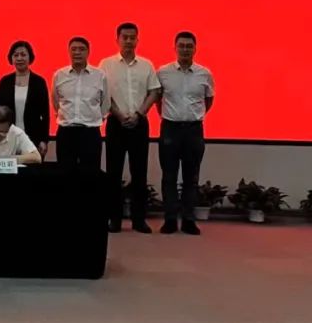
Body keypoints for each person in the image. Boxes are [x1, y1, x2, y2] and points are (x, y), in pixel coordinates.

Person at [99, 22, 162, 234]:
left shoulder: (146, 65)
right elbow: (103, 94)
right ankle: (114, 220)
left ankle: (139, 220)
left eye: (132, 37)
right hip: (115, 123)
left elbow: (154, 92)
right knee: (113, 173)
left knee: (139, 173)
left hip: (139, 123)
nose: (128, 41)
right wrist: (118, 114)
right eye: (124, 37)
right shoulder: (106, 64)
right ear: (117, 39)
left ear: (137, 40)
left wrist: (139, 114)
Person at [157, 31, 215, 236]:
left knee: (191, 177)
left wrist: (194, 116)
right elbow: (158, 99)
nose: (185, 49)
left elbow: (208, 100)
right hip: (170, 128)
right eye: (181, 45)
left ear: (195, 49)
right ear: (175, 48)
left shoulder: (204, 73)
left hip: (193, 130)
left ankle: (189, 219)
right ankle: (170, 220)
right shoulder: (163, 72)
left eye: (189, 46)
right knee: (169, 176)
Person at [52, 37, 109, 168]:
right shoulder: (59, 75)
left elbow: (105, 104)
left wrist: (94, 119)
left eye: (82, 49)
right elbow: (55, 102)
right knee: (65, 174)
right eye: (74, 49)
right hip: (66, 133)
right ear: (68, 51)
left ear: (88, 52)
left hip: (90, 133)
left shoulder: (100, 76)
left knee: (90, 174)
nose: (77, 52)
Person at [0, 40, 50, 159]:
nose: (19, 58)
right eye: (16, 55)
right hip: (8, 137)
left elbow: (45, 114)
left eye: (23, 55)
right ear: (11, 58)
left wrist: (44, 140)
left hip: (33, 138)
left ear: (30, 57)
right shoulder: (5, 82)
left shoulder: (39, 82)